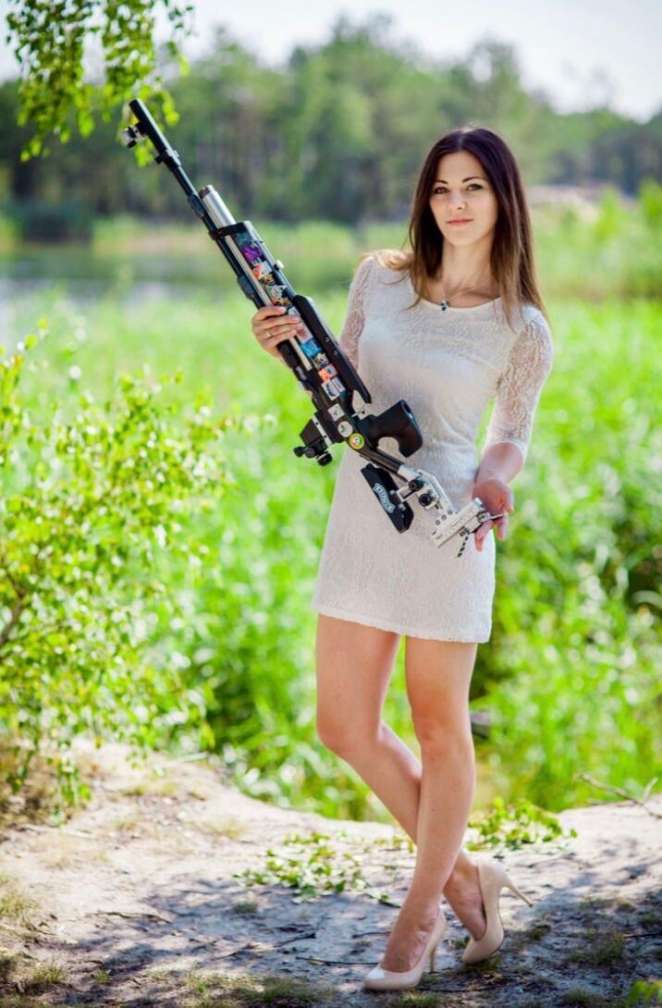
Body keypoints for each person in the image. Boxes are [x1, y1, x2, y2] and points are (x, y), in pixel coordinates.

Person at [250, 126, 553, 992]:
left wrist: (494, 485)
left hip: (451, 523)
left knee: (437, 725)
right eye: (442, 188)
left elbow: (511, 436)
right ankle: (466, 876)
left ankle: (420, 915)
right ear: (426, 199)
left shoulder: (522, 327)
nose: (455, 203)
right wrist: (286, 346)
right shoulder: (379, 279)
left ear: (503, 200)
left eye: (474, 187)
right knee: (342, 722)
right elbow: (339, 383)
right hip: (365, 512)